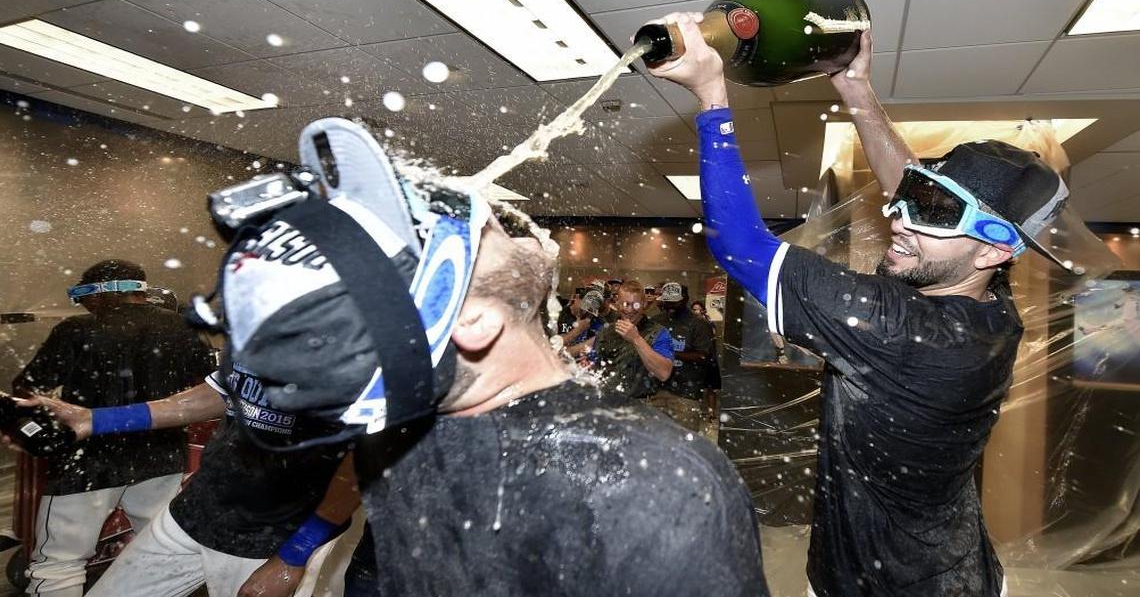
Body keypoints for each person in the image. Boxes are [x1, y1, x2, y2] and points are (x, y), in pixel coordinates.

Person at [210, 117, 770, 597]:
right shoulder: (652, 475)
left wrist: (297, 552)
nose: (479, 209)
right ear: (473, 323)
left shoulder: (401, 433)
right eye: (443, 231)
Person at [646, 12, 1073, 596]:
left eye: (936, 213)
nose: (899, 215)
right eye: (919, 197)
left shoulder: (900, 330)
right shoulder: (985, 303)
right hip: (948, 565)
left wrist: (711, 95)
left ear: (994, 252)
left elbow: (739, 245)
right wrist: (856, 89)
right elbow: (911, 191)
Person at [24, 368, 358, 597]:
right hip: (193, 513)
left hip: (275, 537)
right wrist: (95, 418)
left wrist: (293, 556)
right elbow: (220, 393)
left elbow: (363, 463)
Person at [11, 259, 214, 597]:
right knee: (160, 549)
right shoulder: (185, 328)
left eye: (83, 294)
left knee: (60, 561)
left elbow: (28, 390)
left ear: (104, 292)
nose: (82, 303)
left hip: (87, 462)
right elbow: (206, 388)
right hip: (160, 457)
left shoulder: (76, 330)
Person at [586, 280, 674, 398]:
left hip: (641, 407)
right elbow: (592, 366)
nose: (630, 310)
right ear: (617, 303)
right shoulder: (606, 331)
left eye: (635, 305)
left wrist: (636, 339)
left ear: (643, 304)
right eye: (625, 304)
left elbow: (664, 373)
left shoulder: (659, 333)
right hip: (606, 403)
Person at [651, 282, 715, 433]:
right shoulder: (656, 321)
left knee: (684, 445)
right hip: (657, 390)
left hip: (687, 392)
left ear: (685, 299)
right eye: (667, 301)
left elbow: (703, 356)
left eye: (675, 301)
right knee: (655, 443)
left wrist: (670, 353)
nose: (671, 305)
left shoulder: (699, 324)